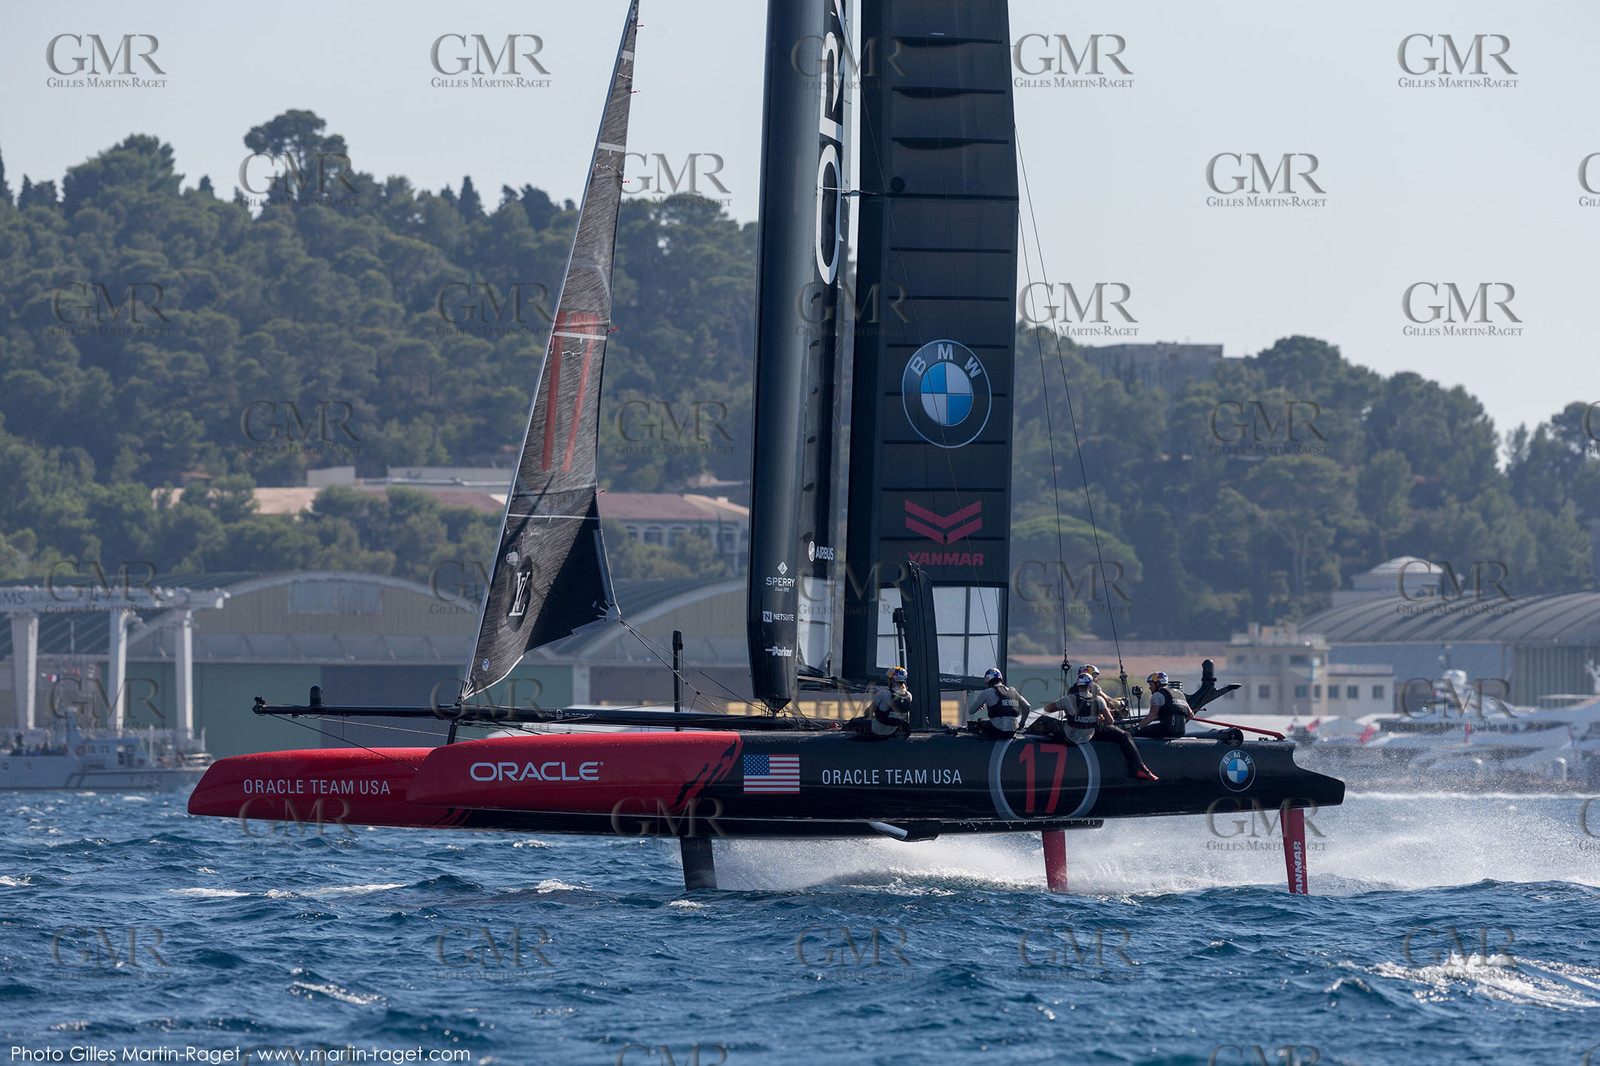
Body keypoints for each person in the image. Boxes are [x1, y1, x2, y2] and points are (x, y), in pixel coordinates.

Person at [1031, 671, 1159, 781]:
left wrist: (1065, 707)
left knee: (1043, 719)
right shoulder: (1099, 700)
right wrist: (1098, 718)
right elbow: (1110, 721)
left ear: (1077, 684)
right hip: (1088, 737)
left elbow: (1048, 709)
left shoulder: (1069, 699)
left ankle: (1026, 737)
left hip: (1069, 737)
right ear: (1091, 685)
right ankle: (1140, 767)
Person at [845, 666, 913, 738]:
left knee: (854, 722)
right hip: (894, 730)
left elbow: (867, 713)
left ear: (892, 680)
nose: (887, 681)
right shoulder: (909, 696)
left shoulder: (884, 693)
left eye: (888, 679)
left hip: (878, 729)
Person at [965, 668, 1030, 740]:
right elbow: (1027, 706)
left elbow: (971, 711)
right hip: (1013, 731)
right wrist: (1021, 724)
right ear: (1000, 678)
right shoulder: (1013, 690)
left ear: (987, 680)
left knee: (981, 721)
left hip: (998, 731)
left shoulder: (987, 692)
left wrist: (980, 704)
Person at [1135, 672, 1193, 738]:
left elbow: (1151, 716)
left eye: (1150, 684)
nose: (1149, 688)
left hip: (1166, 730)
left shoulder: (1157, 695)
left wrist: (1137, 728)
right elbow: (1191, 715)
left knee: (1138, 733)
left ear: (1157, 683)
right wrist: (1178, 724)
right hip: (1181, 731)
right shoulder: (1180, 694)